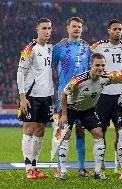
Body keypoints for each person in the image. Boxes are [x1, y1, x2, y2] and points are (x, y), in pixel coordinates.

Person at [90, 19, 122, 173]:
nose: (117, 31)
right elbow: (86, 54)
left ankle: (118, 163)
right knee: (100, 131)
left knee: (121, 131)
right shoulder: (98, 46)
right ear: (108, 30)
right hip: (103, 95)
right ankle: (100, 163)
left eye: (120, 29)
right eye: (115, 29)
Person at [56, 53, 110, 180]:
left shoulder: (107, 77)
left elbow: (120, 76)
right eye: (97, 65)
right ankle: (62, 171)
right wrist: (64, 115)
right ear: (91, 65)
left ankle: (98, 172)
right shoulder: (78, 79)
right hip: (70, 109)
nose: (100, 68)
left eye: (102, 65)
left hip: (88, 110)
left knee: (98, 134)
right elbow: (63, 95)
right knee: (65, 135)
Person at [52, 17, 92, 177]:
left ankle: (81, 168)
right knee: (64, 131)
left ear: (82, 29)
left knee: (80, 131)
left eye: (79, 27)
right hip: (64, 95)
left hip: (82, 96)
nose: (76, 29)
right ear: (67, 28)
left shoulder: (87, 48)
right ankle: (61, 168)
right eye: (74, 26)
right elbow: (50, 65)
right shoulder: (59, 47)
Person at [17, 18, 53, 179]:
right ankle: (28, 169)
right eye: (44, 28)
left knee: (40, 130)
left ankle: (35, 166)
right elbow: (20, 73)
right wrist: (22, 97)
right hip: (31, 95)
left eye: (49, 28)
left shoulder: (50, 48)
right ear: (37, 30)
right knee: (29, 130)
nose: (47, 31)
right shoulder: (29, 49)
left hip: (46, 95)